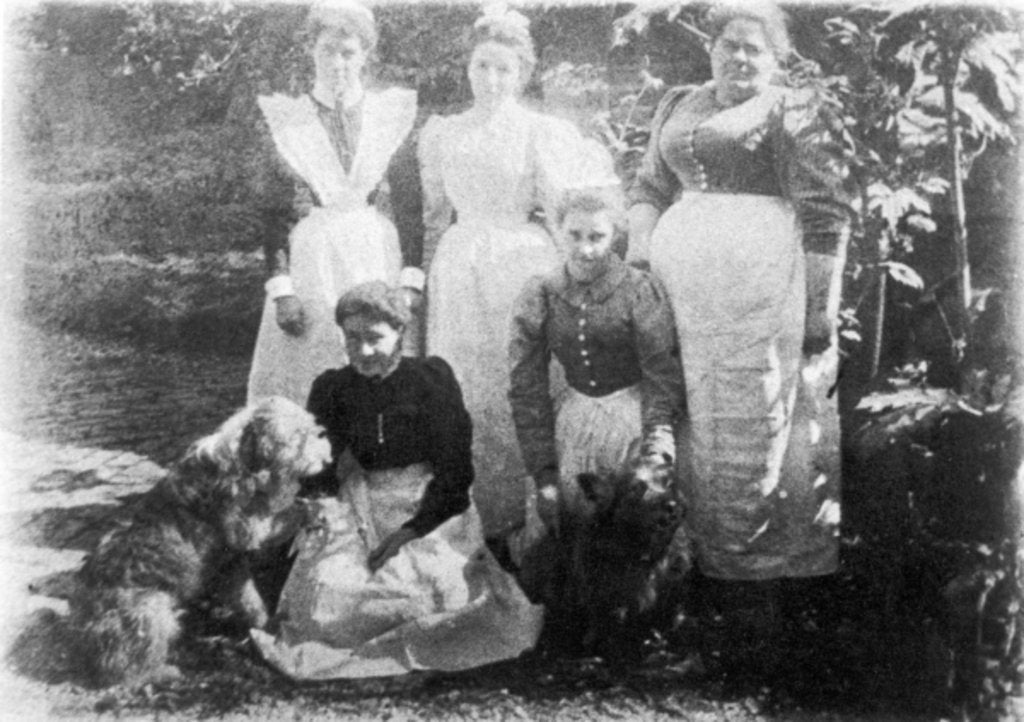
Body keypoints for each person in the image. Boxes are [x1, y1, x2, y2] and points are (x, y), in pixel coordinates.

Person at [626, 0, 854, 645]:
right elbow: (649, 186)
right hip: (681, 291)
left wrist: (820, 307)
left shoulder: (794, 108)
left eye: (756, 47)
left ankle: (757, 593)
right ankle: (688, 579)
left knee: (754, 418)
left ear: (777, 58)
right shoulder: (679, 102)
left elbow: (826, 213)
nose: (741, 57)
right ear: (711, 48)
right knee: (687, 412)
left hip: (760, 289)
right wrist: (638, 261)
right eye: (730, 44)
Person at [251, 281, 543, 680]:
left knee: (427, 595)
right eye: (352, 338)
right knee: (329, 597)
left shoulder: (431, 380)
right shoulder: (332, 388)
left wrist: (410, 531)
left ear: (401, 333)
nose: (363, 350)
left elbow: (455, 472)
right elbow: (320, 469)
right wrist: (323, 511)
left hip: (430, 505)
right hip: (362, 502)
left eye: (375, 338)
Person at [417, 6, 615, 537]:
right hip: (458, 268)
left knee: (520, 385)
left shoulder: (539, 131)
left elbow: (564, 215)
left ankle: (531, 520)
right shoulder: (442, 133)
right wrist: (422, 282)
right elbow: (434, 218)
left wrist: (580, 287)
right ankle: (471, 521)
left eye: (503, 69)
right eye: (482, 66)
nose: (491, 79)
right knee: (463, 389)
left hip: (520, 266)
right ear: (467, 68)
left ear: (522, 74)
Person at [247, 0, 423, 407]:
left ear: (365, 55)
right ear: (311, 50)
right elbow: (274, 213)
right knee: (318, 358)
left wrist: (411, 280)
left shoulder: (389, 113)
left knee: (381, 354)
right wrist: (283, 291)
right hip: (315, 255)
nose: (337, 63)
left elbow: (410, 204)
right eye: (327, 51)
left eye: (348, 53)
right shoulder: (288, 119)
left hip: (375, 250)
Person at [508, 187, 685, 541]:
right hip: (573, 426)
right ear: (558, 231)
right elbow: (526, 389)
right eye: (574, 235)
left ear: (615, 236)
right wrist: (543, 475)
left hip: (632, 426)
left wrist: (654, 458)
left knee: (633, 526)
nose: (585, 249)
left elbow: (661, 381)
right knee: (569, 527)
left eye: (597, 237)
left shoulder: (639, 290)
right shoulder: (541, 293)